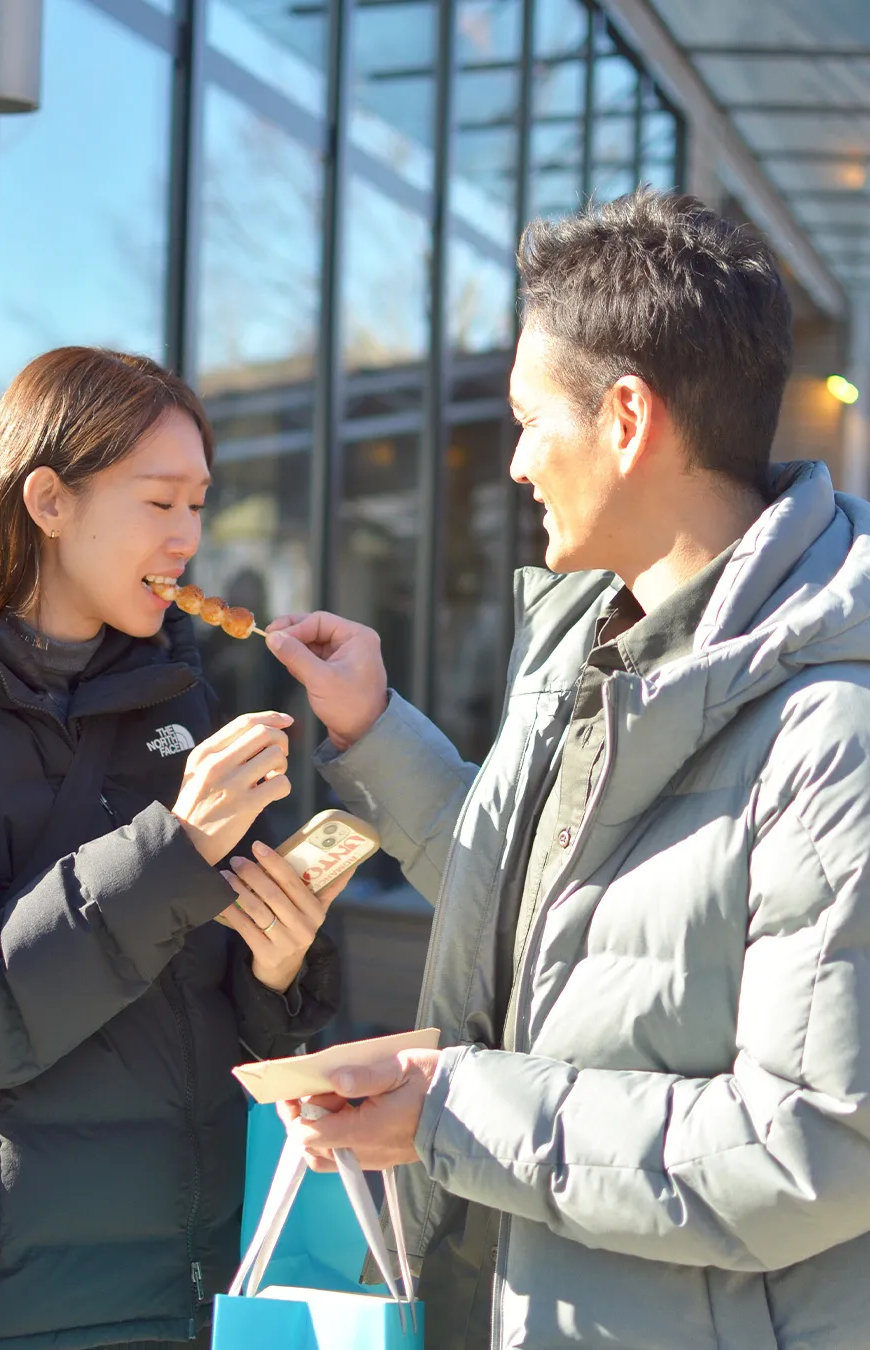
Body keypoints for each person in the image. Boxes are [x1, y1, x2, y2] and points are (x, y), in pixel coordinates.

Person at [266, 190, 870, 1350]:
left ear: (628, 418)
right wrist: (374, 727)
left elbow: (812, 1148)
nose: (513, 464)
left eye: (531, 420)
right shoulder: (593, 638)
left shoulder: (833, 730)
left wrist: (449, 1115)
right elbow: (545, 908)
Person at [0, 348, 343, 1349]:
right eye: (159, 503)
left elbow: (220, 1006)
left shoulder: (177, 700)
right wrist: (171, 850)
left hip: (199, 1278)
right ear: (49, 499)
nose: (187, 538)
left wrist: (278, 963)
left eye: (199, 505)